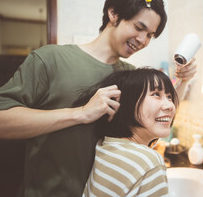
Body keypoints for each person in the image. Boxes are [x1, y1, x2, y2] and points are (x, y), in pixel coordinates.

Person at [0, 0, 196, 196]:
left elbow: (161, 115)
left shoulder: (130, 76)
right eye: (139, 28)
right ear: (113, 13)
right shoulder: (49, 59)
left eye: (150, 35)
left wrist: (183, 80)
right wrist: (81, 113)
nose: (142, 40)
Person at [75, 67, 178, 197]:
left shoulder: (105, 145)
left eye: (169, 97)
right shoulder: (149, 162)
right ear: (128, 104)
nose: (170, 106)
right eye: (156, 94)